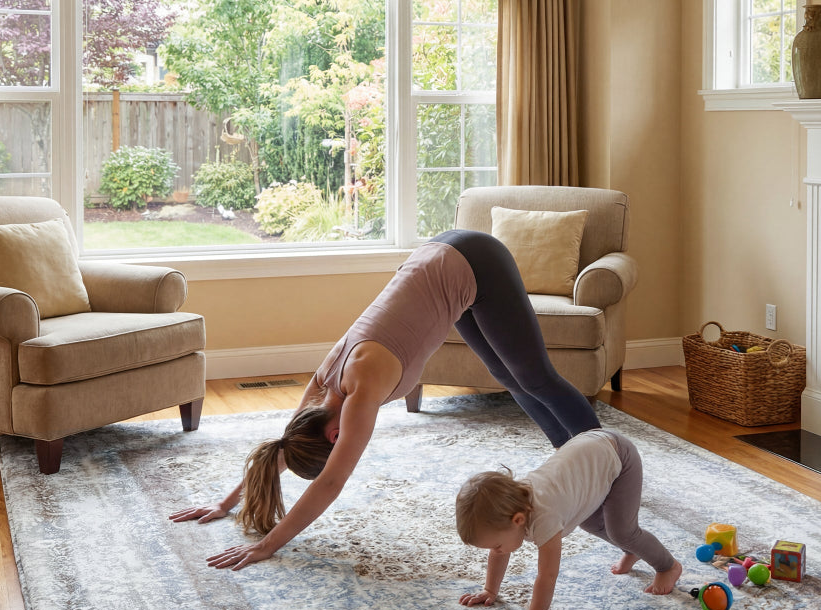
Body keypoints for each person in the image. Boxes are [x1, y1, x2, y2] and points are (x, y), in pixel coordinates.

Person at [170, 229, 601, 570]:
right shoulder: (321, 392)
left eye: (334, 447)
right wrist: (226, 503)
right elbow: (279, 451)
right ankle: (574, 455)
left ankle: (604, 461)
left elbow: (331, 483)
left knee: (536, 377)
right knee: (510, 376)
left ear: (334, 434)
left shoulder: (361, 389)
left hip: (476, 258)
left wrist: (268, 545)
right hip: (444, 262)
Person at [455, 428, 682, 610]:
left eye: (496, 545)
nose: (496, 551)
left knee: (623, 530)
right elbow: (500, 553)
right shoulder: (512, 505)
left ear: (518, 520)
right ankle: (632, 550)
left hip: (618, 456)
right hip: (590, 454)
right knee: (590, 523)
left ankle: (667, 565)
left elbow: (547, 576)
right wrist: (489, 590)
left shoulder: (545, 517)